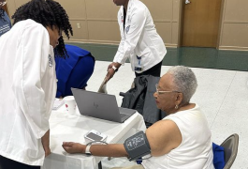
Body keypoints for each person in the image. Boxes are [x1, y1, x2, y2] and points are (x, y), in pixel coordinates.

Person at [62, 66, 214, 169]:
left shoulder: (166, 128)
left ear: (178, 98)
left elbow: (125, 150)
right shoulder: (197, 111)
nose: (155, 94)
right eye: (157, 88)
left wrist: (84, 148)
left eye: (161, 91)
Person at [0, 0, 73, 169]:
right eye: (60, 31)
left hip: (5, 141)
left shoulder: (7, 38)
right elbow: (27, 87)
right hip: (22, 145)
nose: (59, 38)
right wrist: (44, 133)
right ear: (51, 23)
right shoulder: (36, 30)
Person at [105, 0, 166, 82]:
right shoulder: (121, 12)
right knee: (141, 88)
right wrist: (115, 62)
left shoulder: (138, 11)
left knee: (149, 92)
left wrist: (115, 67)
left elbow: (130, 43)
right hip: (140, 58)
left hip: (151, 56)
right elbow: (124, 40)